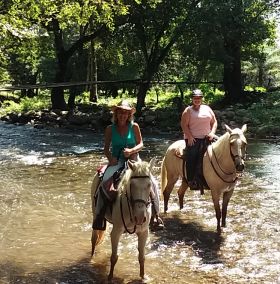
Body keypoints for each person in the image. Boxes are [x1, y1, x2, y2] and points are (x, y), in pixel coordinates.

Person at [92, 100, 163, 230]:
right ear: (116, 114)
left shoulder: (134, 126)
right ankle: (99, 216)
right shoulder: (110, 129)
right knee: (104, 182)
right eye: (120, 112)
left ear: (129, 115)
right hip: (117, 160)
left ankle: (156, 216)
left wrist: (131, 151)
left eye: (125, 113)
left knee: (153, 182)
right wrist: (110, 158)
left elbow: (141, 144)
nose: (123, 115)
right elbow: (106, 148)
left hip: (135, 160)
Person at [180, 89, 217, 191]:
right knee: (192, 156)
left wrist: (212, 132)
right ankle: (192, 180)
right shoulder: (188, 111)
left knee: (223, 148)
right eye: (195, 98)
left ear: (201, 99)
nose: (197, 100)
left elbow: (214, 122)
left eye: (199, 98)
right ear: (192, 99)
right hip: (194, 139)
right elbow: (183, 124)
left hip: (207, 137)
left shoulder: (207, 108)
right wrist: (190, 136)